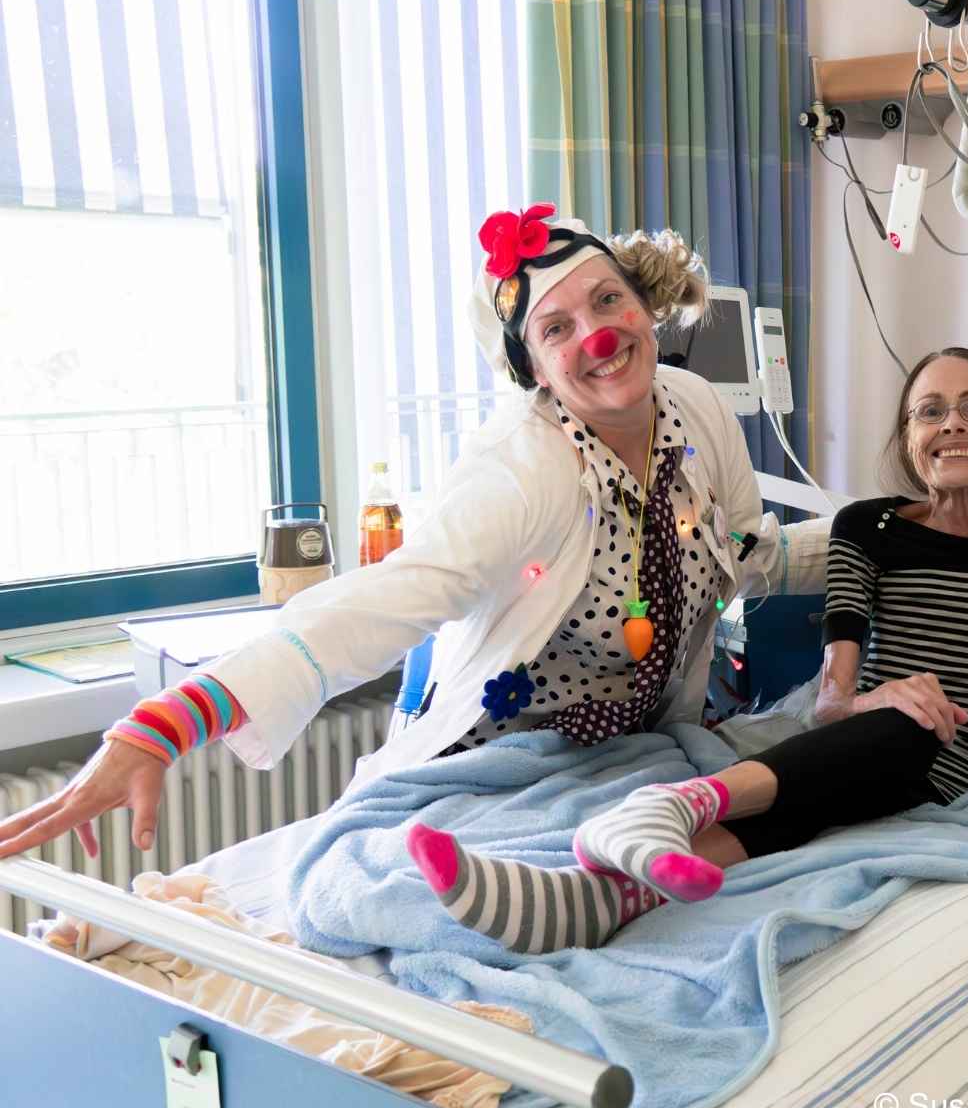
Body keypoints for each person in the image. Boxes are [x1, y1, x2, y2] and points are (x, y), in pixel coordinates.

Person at [0, 205, 829, 904]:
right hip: (497, 762)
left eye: (610, 300)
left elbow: (747, 553)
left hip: (634, 758)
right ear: (532, 367)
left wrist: (894, 533)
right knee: (415, 892)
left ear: (645, 306)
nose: (599, 335)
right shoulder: (526, 469)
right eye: (558, 328)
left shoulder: (694, 410)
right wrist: (164, 725)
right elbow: (387, 601)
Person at [407, 346, 968, 951]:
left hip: (967, 768)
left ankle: (656, 826)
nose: (952, 423)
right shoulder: (869, 530)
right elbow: (834, 705)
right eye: (929, 411)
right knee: (865, 754)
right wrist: (879, 698)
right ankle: (594, 893)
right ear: (907, 440)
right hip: (872, 739)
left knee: (855, 765)